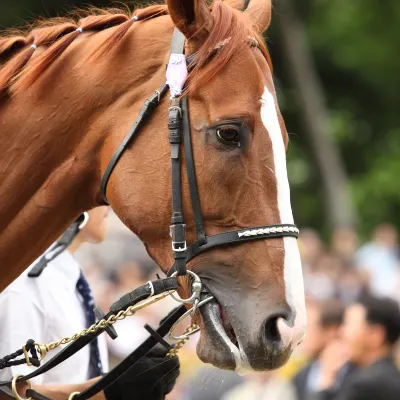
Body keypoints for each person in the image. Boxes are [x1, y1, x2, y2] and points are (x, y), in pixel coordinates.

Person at [0, 207, 179, 400]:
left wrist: (126, 379)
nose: (107, 205)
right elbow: (10, 393)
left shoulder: (70, 277)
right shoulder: (25, 283)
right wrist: (109, 389)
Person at [313, 296, 400, 400]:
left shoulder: (367, 384)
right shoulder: (389, 376)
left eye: (348, 324)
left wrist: (327, 379)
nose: (341, 332)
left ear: (375, 335)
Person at [292, 299, 344, 400]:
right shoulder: (300, 377)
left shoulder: (353, 372)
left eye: (307, 328)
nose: (300, 336)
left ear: (331, 331)